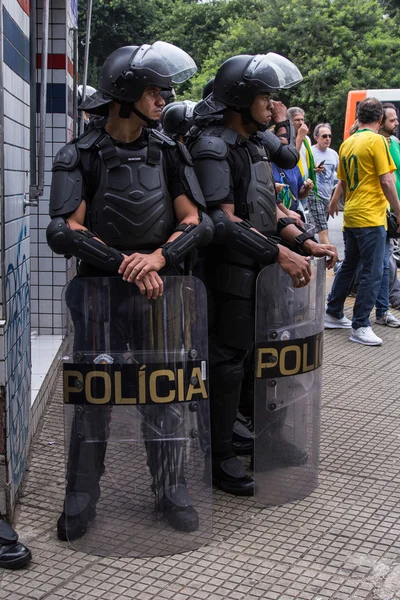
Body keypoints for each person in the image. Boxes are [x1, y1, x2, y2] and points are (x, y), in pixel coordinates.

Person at [47, 41, 214, 541]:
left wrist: (156, 258)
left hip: (159, 291)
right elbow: (64, 230)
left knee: (162, 393)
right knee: (94, 395)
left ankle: (171, 488)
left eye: (164, 90)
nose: (163, 97)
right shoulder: (80, 153)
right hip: (99, 292)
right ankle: (81, 496)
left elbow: (196, 221)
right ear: (125, 92)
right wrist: (126, 263)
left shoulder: (168, 150)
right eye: (153, 89)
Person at [188, 52, 337, 495]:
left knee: (261, 361)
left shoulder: (251, 145)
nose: (272, 106)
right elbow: (223, 221)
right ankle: (219, 458)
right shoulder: (213, 146)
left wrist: (304, 240)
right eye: (264, 97)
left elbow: (266, 208)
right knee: (228, 364)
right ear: (240, 98)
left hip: (260, 271)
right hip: (227, 274)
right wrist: (278, 254)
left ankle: (264, 440)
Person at [325, 97, 400, 345]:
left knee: (350, 265)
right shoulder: (377, 141)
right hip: (371, 216)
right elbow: (387, 180)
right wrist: (399, 212)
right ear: (379, 119)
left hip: (353, 216)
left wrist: (334, 201)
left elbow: (343, 181)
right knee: (373, 270)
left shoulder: (348, 142)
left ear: (359, 118)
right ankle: (360, 325)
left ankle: (334, 312)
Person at [272, 124, 314, 219]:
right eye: (280, 137)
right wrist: (272, 189)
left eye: (287, 136)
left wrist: (307, 188)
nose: (283, 140)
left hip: (293, 215)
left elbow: (300, 194)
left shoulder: (293, 165)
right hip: (274, 216)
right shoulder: (266, 163)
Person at [308, 123, 339, 245]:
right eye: (324, 136)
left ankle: (310, 255)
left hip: (327, 196)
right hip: (314, 194)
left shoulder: (333, 154)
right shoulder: (310, 152)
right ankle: (329, 259)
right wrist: (313, 169)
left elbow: (341, 177)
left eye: (330, 136)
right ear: (316, 137)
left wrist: (335, 200)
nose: (328, 139)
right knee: (323, 230)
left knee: (313, 228)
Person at [287, 106, 321, 202]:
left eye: (302, 119)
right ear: (289, 122)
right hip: (293, 185)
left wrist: (316, 166)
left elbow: (306, 159)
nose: (301, 123)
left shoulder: (306, 139)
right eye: (297, 120)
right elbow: (291, 157)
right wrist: (300, 137)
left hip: (305, 185)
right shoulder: (287, 139)